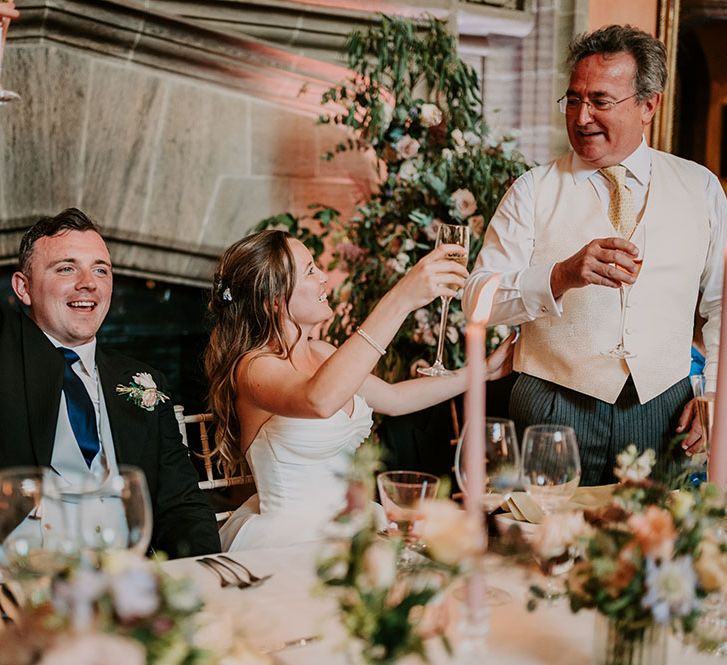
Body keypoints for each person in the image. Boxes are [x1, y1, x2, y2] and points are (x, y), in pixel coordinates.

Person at [463, 25, 727, 486]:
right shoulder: (532, 191)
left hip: (664, 410)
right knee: (542, 549)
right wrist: (559, 276)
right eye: (572, 100)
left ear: (649, 105)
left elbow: (721, 304)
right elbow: (476, 297)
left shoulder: (700, 187)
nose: (581, 117)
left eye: (600, 101)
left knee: (651, 551)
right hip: (552, 406)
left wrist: (714, 399)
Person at [204, 229, 514, 550]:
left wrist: (480, 372)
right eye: (310, 270)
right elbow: (319, 400)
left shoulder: (323, 352)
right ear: (275, 301)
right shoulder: (254, 367)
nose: (324, 277)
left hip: (353, 523)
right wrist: (401, 298)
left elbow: (395, 399)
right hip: (291, 539)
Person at [0, 208, 220, 558]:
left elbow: (182, 505)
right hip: (30, 580)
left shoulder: (143, 381)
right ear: (23, 288)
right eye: (66, 268)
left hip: (127, 575)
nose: (88, 282)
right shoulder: (7, 360)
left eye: (100, 269)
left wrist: (200, 573)